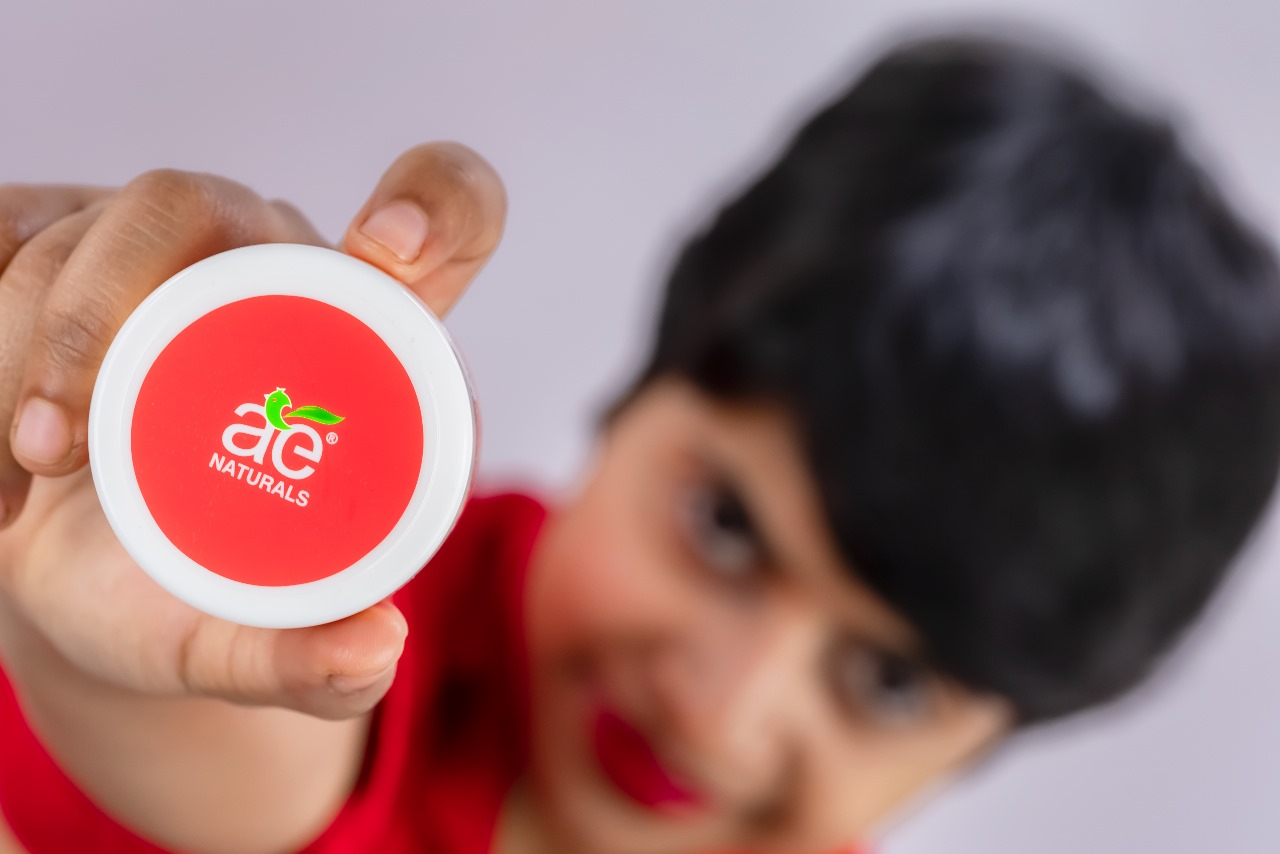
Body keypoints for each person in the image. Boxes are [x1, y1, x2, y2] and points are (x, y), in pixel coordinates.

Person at [1, 32, 1278, 854]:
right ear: (633, 395)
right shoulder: (358, 600)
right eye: (723, 527)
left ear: (985, 745)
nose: (717, 711)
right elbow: (253, 754)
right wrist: (132, 626)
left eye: (890, 683)